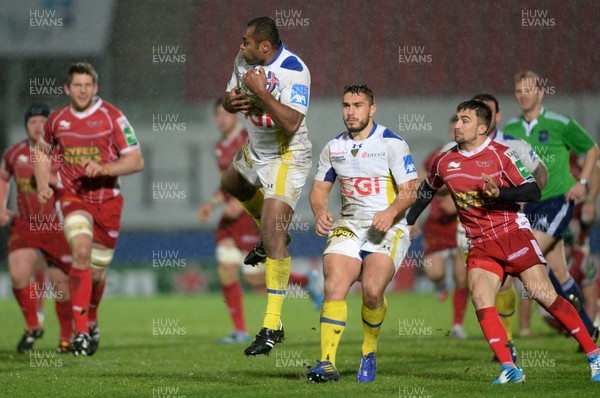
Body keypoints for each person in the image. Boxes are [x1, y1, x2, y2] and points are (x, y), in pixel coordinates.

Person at [406, 100, 600, 383]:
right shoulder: (445, 160)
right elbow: (427, 189)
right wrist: (411, 220)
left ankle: (594, 355)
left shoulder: (501, 155)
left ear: (483, 128)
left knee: (543, 295)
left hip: (512, 235)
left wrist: (500, 194)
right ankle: (510, 368)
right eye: (457, 119)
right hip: (480, 243)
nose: (457, 125)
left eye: (465, 120)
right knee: (481, 296)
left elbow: (533, 191)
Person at [306, 85, 417, 383]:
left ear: (372, 109)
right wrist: (320, 213)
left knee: (371, 291)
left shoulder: (391, 143)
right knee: (334, 285)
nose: (351, 112)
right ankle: (326, 363)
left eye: (358, 105)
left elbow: (410, 190)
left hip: (388, 226)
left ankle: (368, 351)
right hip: (349, 224)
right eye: (346, 105)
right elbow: (318, 190)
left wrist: (392, 212)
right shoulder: (334, 147)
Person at [34, 62, 144, 356]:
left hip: (107, 201)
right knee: (80, 251)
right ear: (67, 89)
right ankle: (80, 333)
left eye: (87, 85)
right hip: (72, 196)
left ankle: (91, 320)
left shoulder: (113, 117)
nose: (82, 90)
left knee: (95, 274)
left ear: (95, 88)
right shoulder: (56, 120)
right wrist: (44, 184)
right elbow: (41, 152)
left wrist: (105, 167)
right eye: (76, 85)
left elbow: (136, 161)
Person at [220, 16, 312, 356]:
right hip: (257, 149)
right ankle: (273, 235)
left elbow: (291, 123)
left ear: (265, 46)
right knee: (231, 182)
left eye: (247, 40)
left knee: (273, 232)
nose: (241, 45)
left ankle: (272, 325)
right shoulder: (243, 60)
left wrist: (261, 93)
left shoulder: (294, 69)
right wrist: (234, 102)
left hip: (287, 154)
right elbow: (229, 97)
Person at [504, 71, 600, 341]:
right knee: (558, 271)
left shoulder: (560, 122)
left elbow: (592, 149)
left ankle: (505, 341)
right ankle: (589, 332)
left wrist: (582, 182)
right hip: (528, 208)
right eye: (518, 90)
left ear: (540, 93)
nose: (523, 94)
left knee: (526, 256)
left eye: (528, 89)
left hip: (557, 202)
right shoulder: (510, 130)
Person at [469, 93, 548, 362]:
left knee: (504, 287)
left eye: (488, 111)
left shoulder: (515, 146)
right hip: (469, 229)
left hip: (507, 226)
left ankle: (507, 343)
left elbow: (540, 175)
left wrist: (519, 198)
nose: (484, 117)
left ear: (497, 116)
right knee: (479, 290)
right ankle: (503, 347)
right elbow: (439, 184)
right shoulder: (457, 147)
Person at [1, 104, 73, 353]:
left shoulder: (61, 153)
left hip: (57, 227)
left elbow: (75, 182)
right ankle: (33, 325)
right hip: (26, 225)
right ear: (26, 125)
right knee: (19, 275)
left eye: (43, 121)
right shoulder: (14, 154)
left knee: (62, 288)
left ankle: (66, 337)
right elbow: (3, 177)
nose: (38, 126)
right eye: (32, 122)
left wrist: (52, 180)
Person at [418, 116, 469, 339]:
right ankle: (440, 285)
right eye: (452, 128)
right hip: (437, 224)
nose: (455, 131)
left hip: (462, 222)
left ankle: (457, 324)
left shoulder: (472, 157)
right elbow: (421, 174)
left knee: (462, 274)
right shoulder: (440, 155)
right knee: (434, 272)